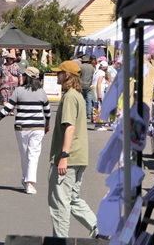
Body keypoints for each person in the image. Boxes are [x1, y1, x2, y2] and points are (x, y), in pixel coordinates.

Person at [49, 61, 99, 238]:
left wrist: (63, 155)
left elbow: (69, 127)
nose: (57, 75)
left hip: (69, 157)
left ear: (67, 76)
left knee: (60, 202)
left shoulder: (70, 96)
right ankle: (99, 229)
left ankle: (60, 240)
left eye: (59, 73)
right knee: (72, 198)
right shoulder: (77, 95)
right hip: (79, 156)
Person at [0, 67, 51, 195]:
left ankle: (27, 180)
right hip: (38, 127)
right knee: (33, 154)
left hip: (21, 127)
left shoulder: (19, 91)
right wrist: (47, 125)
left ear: (26, 77)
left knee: (24, 154)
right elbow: (48, 112)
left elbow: (7, 108)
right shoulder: (41, 92)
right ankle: (29, 182)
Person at [91, 61, 110, 131]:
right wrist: (100, 93)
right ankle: (99, 124)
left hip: (94, 91)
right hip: (100, 90)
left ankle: (97, 123)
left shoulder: (97, 72)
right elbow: (99, 83)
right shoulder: (102, 73)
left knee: (96, 107)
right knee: (100, 107)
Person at [79, 56, 95, 120]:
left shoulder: (80, 67)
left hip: (81, 85)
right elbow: (93, 77)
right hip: (89, 85)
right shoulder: (91, 67)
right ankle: (88, 114)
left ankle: (81, 113)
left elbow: (78, 76)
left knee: (81, 100)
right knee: (89, 100)